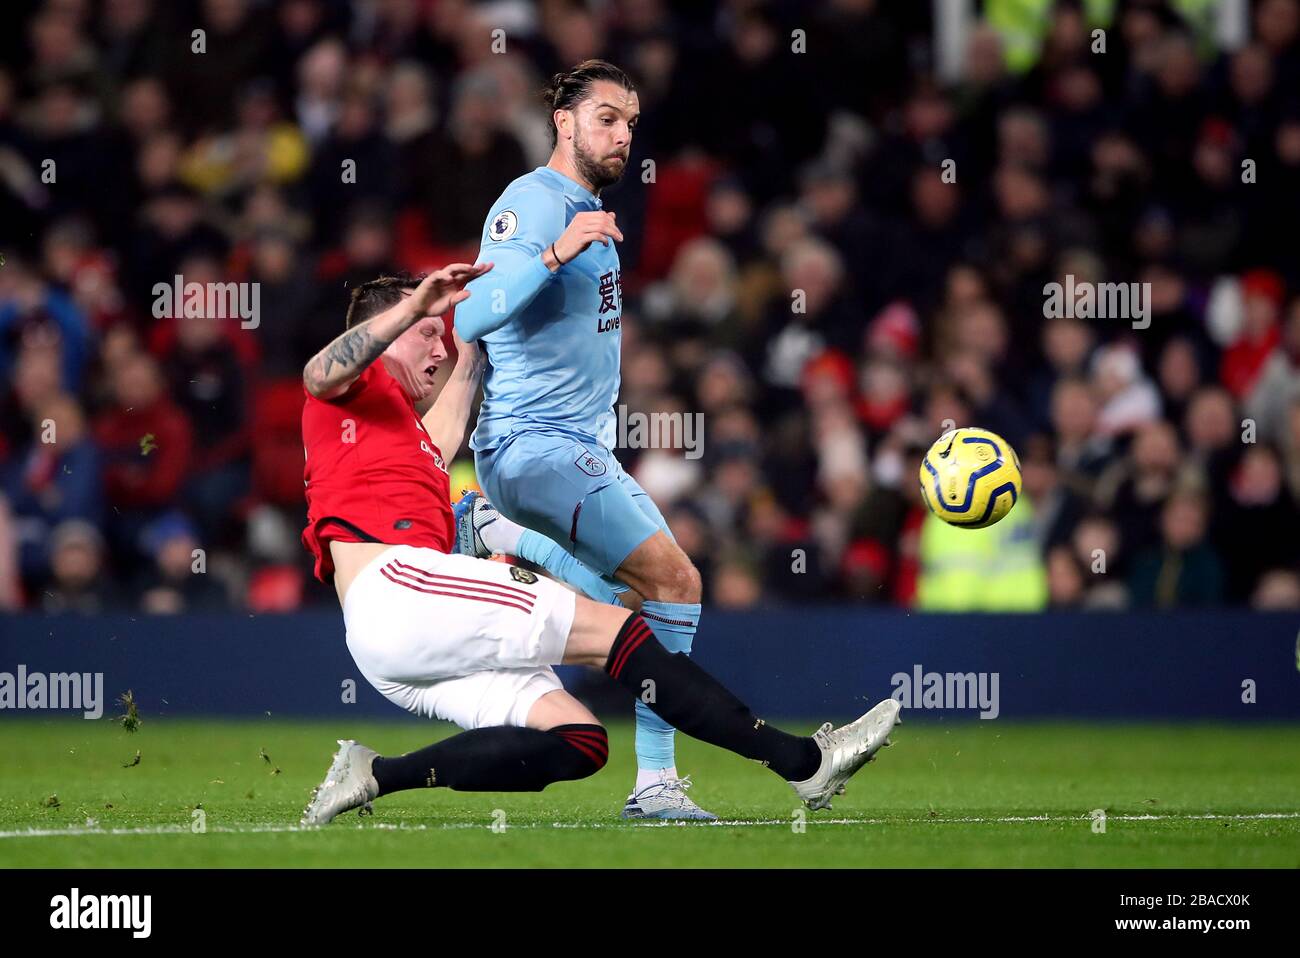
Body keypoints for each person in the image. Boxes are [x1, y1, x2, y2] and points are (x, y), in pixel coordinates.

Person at [297, 269, 900, 826]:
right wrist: (413, 308)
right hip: (401, 590)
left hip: (390, 645)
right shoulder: (349, 388)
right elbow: (319, 372)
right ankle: (802, 762)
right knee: (620, 635)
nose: (439, 348)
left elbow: (456, 404)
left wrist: (487, 325)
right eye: (427, 334)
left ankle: (375, 775)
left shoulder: (406, 436)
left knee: (579, 742)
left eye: (442, 336)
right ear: (388, 331)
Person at [454, 59, 715, 819]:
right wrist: (557, 251)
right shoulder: (532, 205)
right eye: (607, 117)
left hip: (575, 448)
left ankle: (490, 528)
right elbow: (472, 316)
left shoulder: (588, 210)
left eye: (631, 122)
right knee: (679, 585)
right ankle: (657, 786)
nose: (623, 134)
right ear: (564, 122)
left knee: (638, 601)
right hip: (531, 445)